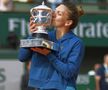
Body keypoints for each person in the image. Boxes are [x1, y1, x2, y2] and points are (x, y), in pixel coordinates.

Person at [18, 2, 85, 90]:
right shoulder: (43, 36)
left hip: (64, 87)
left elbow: (69, 72)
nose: (53, 14)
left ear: (68, 22)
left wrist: (48, 54)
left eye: (59, 13)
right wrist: (34, 34)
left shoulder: (76, 43)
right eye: (54, 11)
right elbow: (22, 57)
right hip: (41, 87)